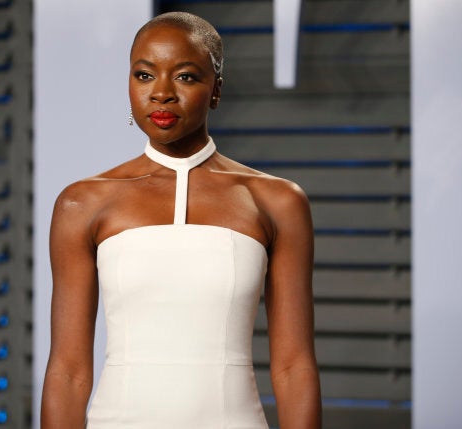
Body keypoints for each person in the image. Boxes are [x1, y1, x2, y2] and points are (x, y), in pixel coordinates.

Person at [41, 11, 321, 429]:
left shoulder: (277, 201)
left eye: (186, 77)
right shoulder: (81, 203)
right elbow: (67, 371)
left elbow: (294, 366)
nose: (162, 94)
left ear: (216, 90)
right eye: (144, 75)